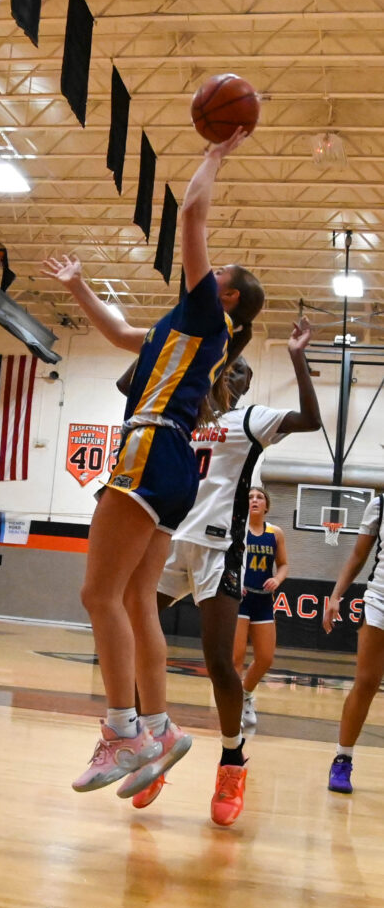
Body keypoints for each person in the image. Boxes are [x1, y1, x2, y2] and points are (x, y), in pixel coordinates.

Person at [41, 128, 265, 800]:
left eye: (220, 274)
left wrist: (214, 156)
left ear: (227, 296)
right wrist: (79, 287)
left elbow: (192, 216)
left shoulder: (206, 316)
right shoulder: (182, 331)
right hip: (175, 469)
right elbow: (119, 333)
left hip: (148, 447)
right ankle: (160, 728)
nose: (210, 271)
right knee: (138, 598)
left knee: (98, 595)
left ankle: (122, 731)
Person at [137, 321, 320, 823]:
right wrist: (162, 339)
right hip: (170, 539)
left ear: (247, 383)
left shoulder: (251, 417)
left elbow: (310, 418)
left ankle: (232, 760)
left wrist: (297, 357)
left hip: (219, 547)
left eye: (241, 370)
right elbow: (127, 384)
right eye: (227, 366)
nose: (231, 373)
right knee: (136, 640)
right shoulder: (186, 410)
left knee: (219, 662)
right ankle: (152, 745)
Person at [323, 493, 383, 794]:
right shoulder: (380, 505)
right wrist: (336, 595)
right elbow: (358, 556)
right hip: (380, 600)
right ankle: (342, 759)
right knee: (367, 682)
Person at [233, 486, 289, 728]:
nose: (254, 500)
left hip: (263, 600)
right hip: (240, 599)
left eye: (259, 497)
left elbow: (284, 564)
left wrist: (277, 579)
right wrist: (235, 581)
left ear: (266, 505)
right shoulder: (237, 530)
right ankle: (233, 707)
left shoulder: (275, 533)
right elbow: (225, 561)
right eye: (250, 497)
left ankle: (246, 694)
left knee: (265, 658)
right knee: (236, 658)